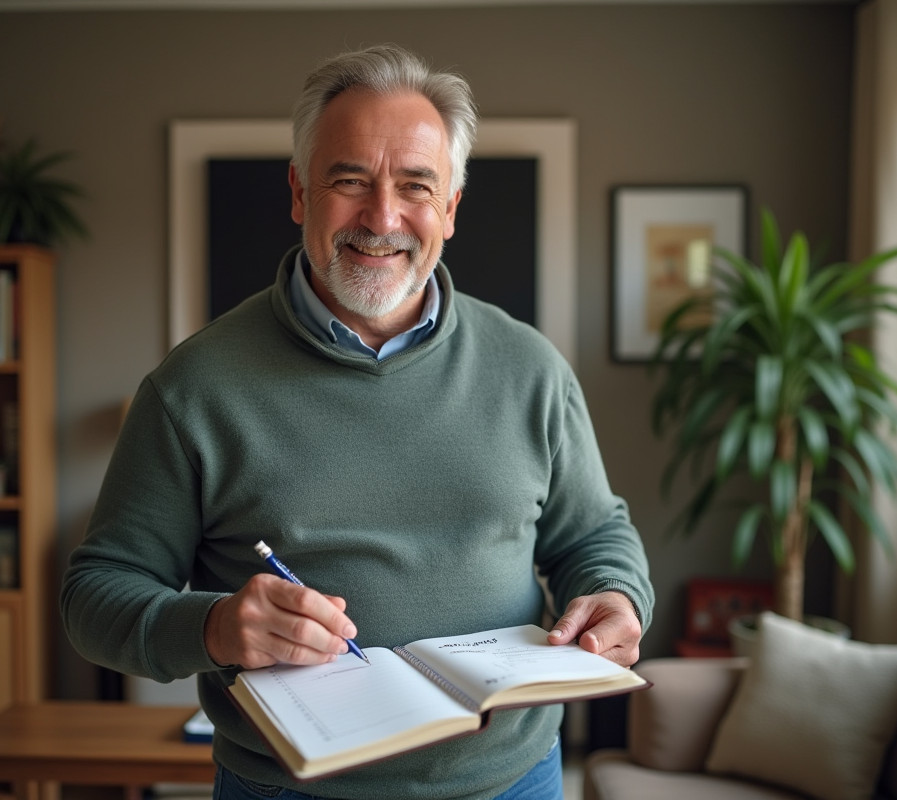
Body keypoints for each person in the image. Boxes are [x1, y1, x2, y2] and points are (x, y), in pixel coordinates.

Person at [61, 44, 653, 800]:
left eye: (415, 186)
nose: (382, 217)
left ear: (449, 209)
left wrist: (616, 593)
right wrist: (213, 628)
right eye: (349, 181)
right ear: (301, 193)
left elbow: (595, 534)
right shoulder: (192, 388)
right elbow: (95, 596)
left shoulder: (532, 368)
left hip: (513, 781)